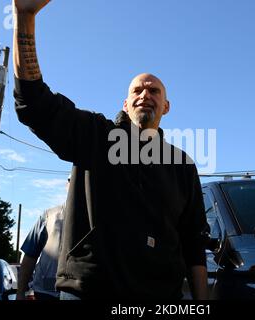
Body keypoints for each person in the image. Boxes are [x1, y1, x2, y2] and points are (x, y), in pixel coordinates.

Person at [13, 0, 209, 300]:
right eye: (137, 91)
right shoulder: (96, 137)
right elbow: (35, 104)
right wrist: (24, 17)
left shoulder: (182, 166)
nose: (145, 94)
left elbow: (194, 242)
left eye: (154, 90)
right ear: (125, 104)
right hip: (90, 292)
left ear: (166, 106)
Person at [16, 175, 70, 300]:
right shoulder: (49, 216)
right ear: (67, 185)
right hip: (47, 293)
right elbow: (29, 256)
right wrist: (20, 293)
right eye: (73, 182)